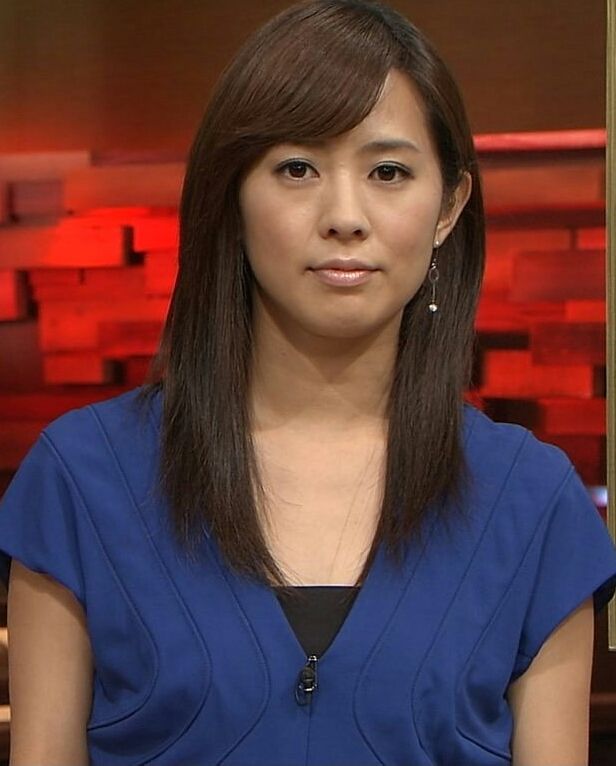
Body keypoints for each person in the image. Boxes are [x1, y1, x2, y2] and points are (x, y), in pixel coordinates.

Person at [1, 1, 615, 764]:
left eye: (389, 172)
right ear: (232, 194)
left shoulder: (533, 503)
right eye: (297, 169)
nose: (344, 216)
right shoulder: (82, 478)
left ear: (449, 207)